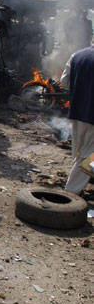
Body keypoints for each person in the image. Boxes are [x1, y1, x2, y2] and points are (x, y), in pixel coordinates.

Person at [60, 47, 94, 195]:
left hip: (77, 111)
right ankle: (72, 190)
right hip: (92, 115)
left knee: (81, 152)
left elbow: (65, 82)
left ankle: (79, 184)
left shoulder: (77, 55)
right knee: (89, 155)